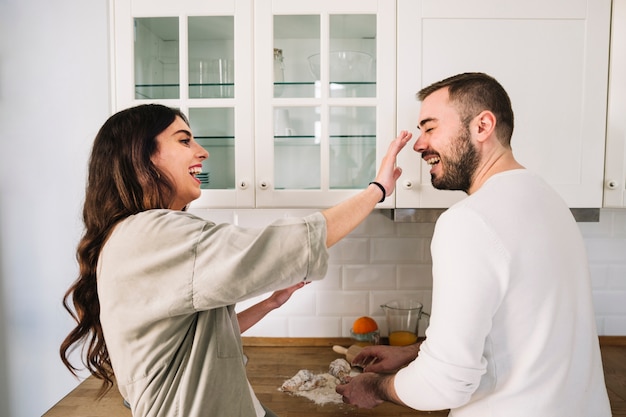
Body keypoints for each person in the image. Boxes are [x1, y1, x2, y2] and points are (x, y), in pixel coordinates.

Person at [59, 103, 411, 417]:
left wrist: (270, 303)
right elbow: (287, 244)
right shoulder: (155, 233)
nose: (202, 152)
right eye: (184, 141)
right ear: (142, 156)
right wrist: (376, 190)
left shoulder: (133, 235)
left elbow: (194, 342)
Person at [336, 72, 612, 416]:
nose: (419, 144)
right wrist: (417, 352)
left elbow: (444, 384)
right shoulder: (548, 199)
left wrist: (375, 386)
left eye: (430, 127)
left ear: (482, 126)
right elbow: (520, 327)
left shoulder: (468, 221)